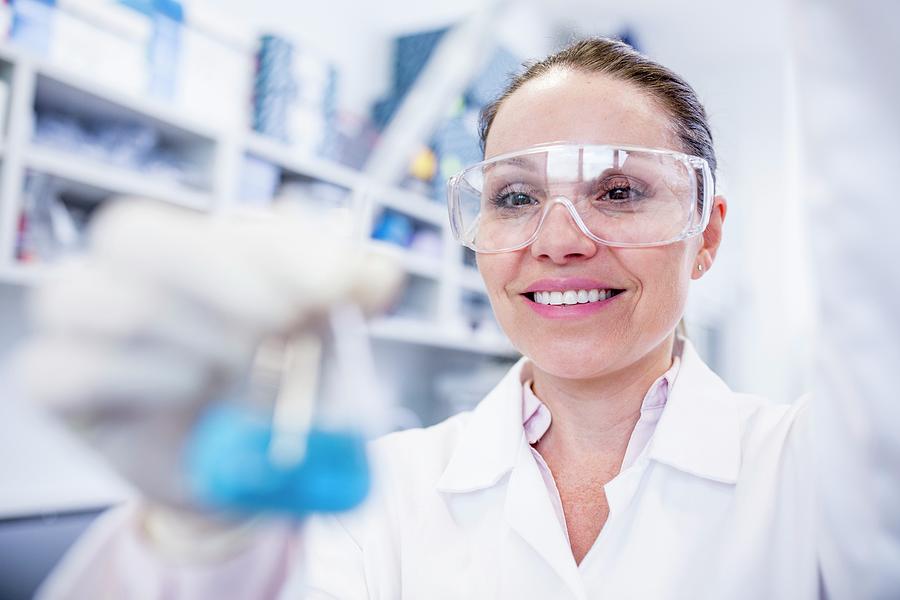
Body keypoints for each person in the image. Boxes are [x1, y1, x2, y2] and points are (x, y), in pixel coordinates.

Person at [17, 22, 900, 600]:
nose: (558, 240)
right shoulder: (380, 493)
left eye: (621, 190)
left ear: (706, 236)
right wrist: (191, 547)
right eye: (514, 198)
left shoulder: (815, 478)